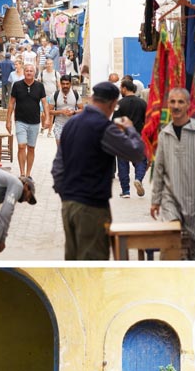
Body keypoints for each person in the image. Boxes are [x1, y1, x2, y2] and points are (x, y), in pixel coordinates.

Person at [52, 81, 145, 260]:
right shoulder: (103, 127)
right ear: (111, 104)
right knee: (93, 261)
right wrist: (130, 129)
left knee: (73, 262)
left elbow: (58, 165)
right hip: (91, 206)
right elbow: (137, 153)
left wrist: (64, 192)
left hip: (68, 204)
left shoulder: (71, 124)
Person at [150, 88, 195, 259]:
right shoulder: (164, 135)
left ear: (188, 105)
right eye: (173, 102)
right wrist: (155, 200)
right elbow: (159, 169)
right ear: (168, 105)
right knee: (171, 242)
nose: (176, 106)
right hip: (171, 198)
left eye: (180, 102)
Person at [7, 63, 51, 178]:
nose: (29, 73)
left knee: (31, 147)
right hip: (20, 121)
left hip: (35, 122)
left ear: (34, 73)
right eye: (27, 71)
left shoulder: (39, 86)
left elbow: (45, 103)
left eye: (31, 71)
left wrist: (47, 118)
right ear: (24, 72)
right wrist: (8, 120)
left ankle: (28, 173)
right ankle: (22, 173)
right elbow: (11, 103)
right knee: (21, 146)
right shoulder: (17, 85)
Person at [113, 77, 148, 198]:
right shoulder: (143, 103)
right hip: (138, 137)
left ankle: (126, 191)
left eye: (121, 88)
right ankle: (138, 178)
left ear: (124, 88)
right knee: (141, 161)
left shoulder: (119, 104)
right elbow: (147, 121)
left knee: (123, 164)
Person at [51, 75, 83, 149]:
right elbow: (50, 111)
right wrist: (61, 111)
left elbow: (82, 109)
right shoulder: (55, 95)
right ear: (60, 84)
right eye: (63, 84)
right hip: (59, 125)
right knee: (60, 149)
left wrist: (74, 112)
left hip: (73, 125)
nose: (65, 86)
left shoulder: (76, 94)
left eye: (67, 84)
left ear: (70, 84)